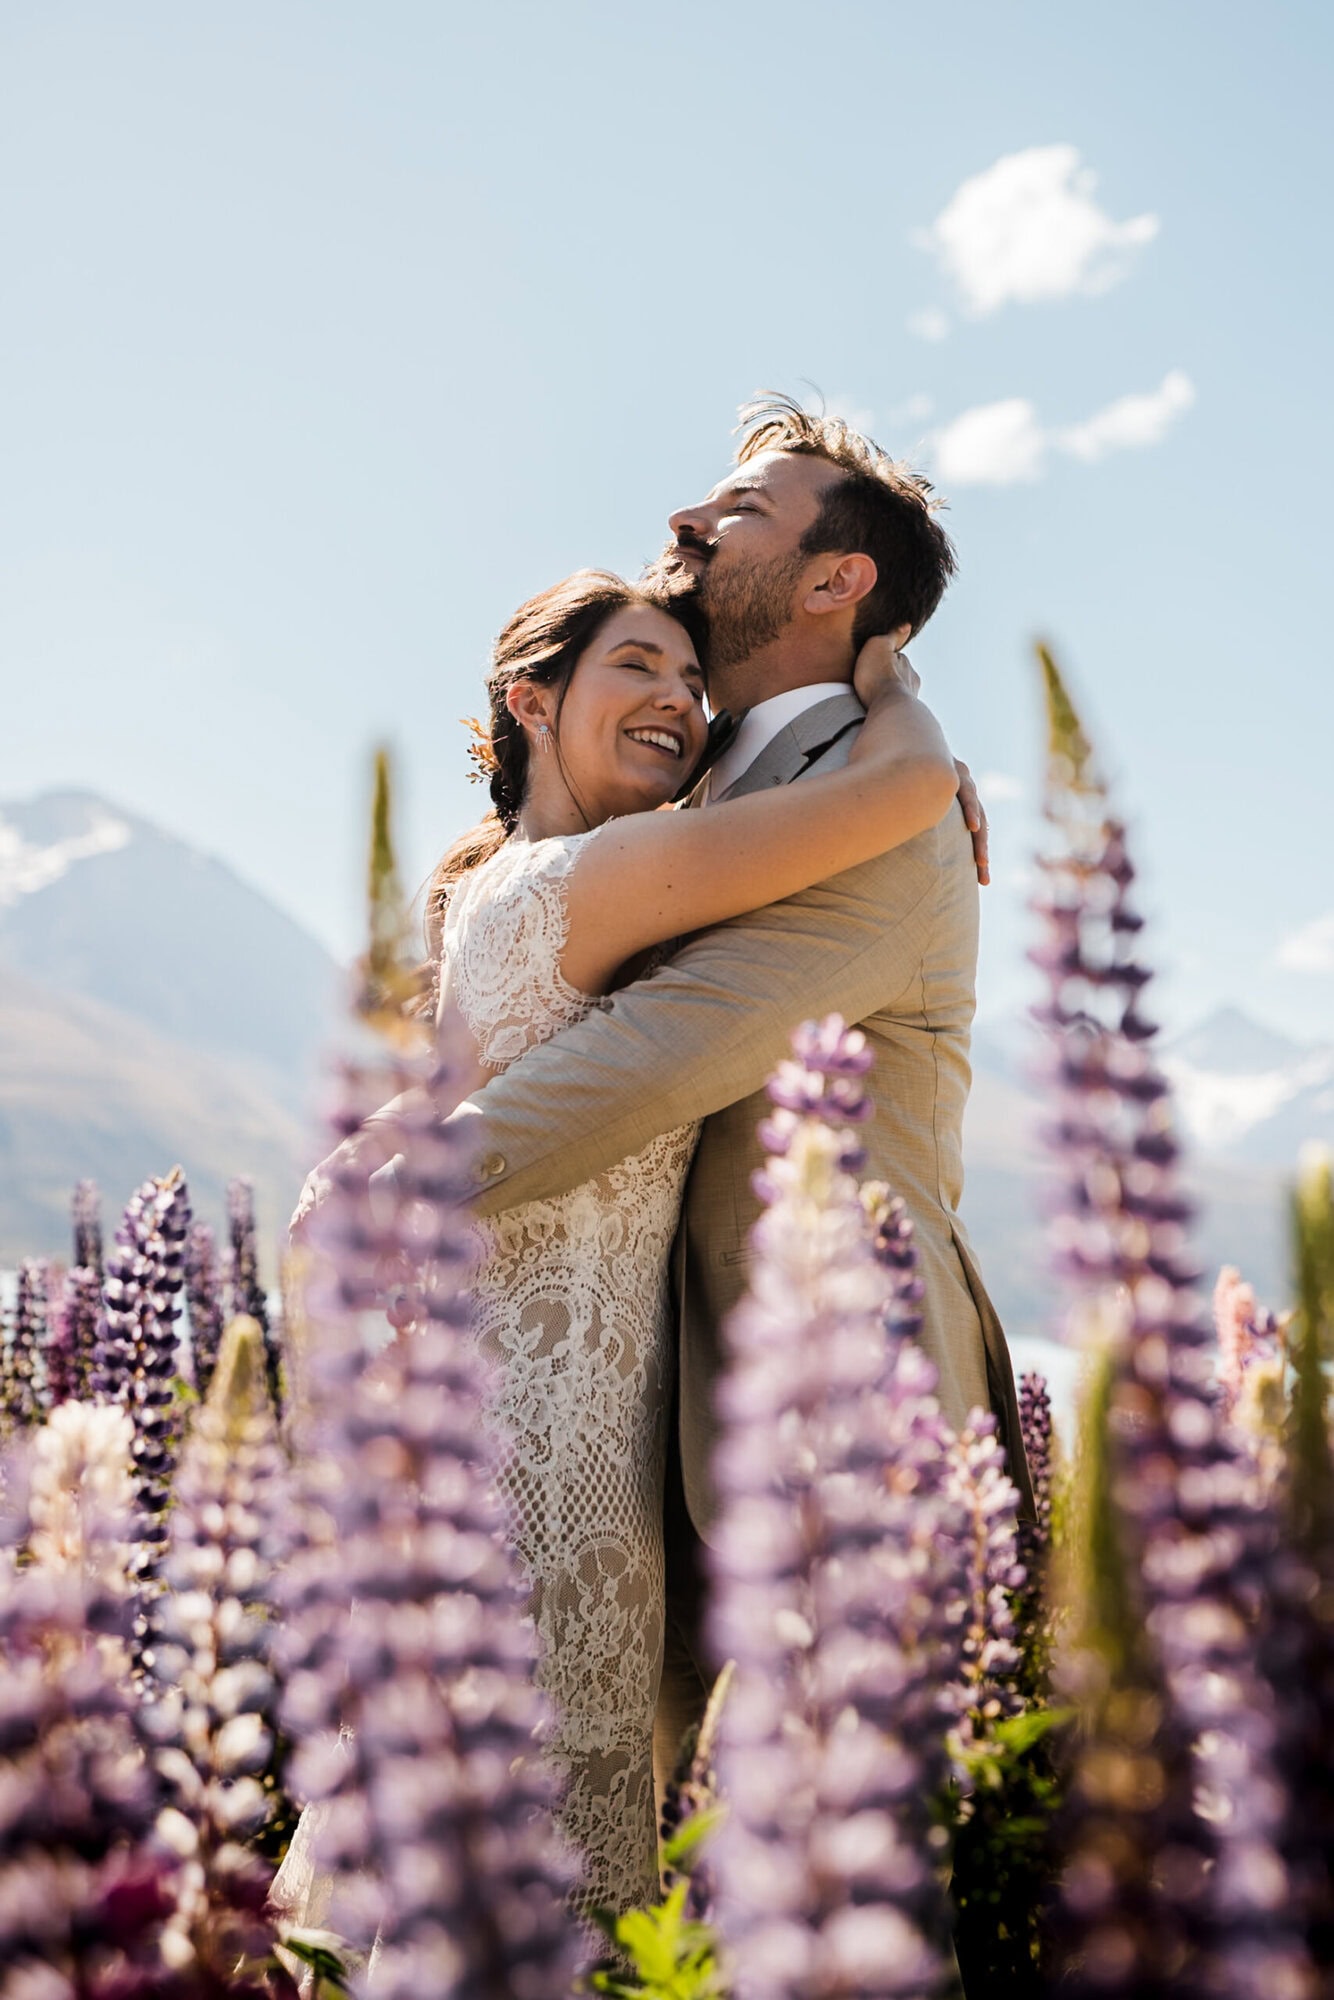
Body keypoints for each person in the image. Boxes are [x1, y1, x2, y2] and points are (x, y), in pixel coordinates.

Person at [295, 561, 965, 1918]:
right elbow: (890, 803)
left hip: (489, 1412)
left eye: (688, 681)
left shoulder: (507, 885)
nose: (676, 700)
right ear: (530, 704)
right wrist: (902, 705)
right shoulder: (601, 873)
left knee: (447, 1847)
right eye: (634, 670)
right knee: (543, 1877)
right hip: (553, 1447)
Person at [440, 396, 1032, 1813]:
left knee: (853, 1884)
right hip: (633, 1394)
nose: (685, 523)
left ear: (838, 582)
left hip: (839, 1398)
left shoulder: (879, 811)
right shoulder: (710, 781)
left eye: (740, 510)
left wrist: (388, 1193)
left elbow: (657, 1052)